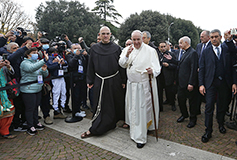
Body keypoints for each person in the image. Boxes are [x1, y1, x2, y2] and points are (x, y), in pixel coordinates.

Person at [81, 26, 126, 138]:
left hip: (114, 80)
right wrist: (90, 80)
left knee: (113, 103)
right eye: (103, 34)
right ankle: (97, 127)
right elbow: (90, 66)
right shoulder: (94, 48)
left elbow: (121, 66)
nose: (105, 36)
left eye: (107, 33)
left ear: (110, 34)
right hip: (99, 80)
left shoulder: (116, 48)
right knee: (100, 104)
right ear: (99, 35)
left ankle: (112, 123)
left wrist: (123, 80)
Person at [119, 30, 160, 148]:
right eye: (134, 40)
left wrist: (153, 71)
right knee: (133, 109)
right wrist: (127, 55)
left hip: (144, 85)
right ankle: (135, 128)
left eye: (138, 39)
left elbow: (157, 68)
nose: (136, 42)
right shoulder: (127, 49)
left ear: (142, 39)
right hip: (132, 85)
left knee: (141, 110)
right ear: (131, 39)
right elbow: (122, 64)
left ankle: (140, 136)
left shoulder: (151, 51)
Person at [199, 29, 237, 143]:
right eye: (211, 37)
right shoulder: (206, 51)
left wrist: (234, 82)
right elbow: (202, 69)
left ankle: (221, 124)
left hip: (224, 83)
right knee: (209, 107)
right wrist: (201, 84)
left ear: (220, 37)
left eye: (216, 37)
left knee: (222, 106)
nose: (214, 39)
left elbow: (233, 66)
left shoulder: (227, 49)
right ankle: (208, 130)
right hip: (210, 83)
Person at [20, 47, 49, 135]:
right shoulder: (24, 63)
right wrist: (43, 61)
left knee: (36, 107)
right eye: (33, 52)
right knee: (30, 108)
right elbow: (31, 68)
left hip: (38, 88)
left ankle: (36, 122)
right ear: (28, 54)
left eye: (37, 52)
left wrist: (44, 70)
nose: (36, 54)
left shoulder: (37, 62)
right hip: (28, 89)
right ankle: (30, 125)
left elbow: (44, 74)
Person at [176, 36, 199, 128]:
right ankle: (184, 114)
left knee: (192, 102)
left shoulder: (193, 53)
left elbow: (193, 69)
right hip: (181, 83)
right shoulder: (185, 52)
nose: (179, 44)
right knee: (180, 99)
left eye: (181, 42)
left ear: (186, 42)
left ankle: (193, 119)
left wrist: (191, 83)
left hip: (189, 83)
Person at [157, 41, 177, 111]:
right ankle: (161, 105)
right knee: (160, 91)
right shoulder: (157, 55)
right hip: (160, 76)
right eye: (161, 47)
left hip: (168, 76)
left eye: (164, 46)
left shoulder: (171, 54)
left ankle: (173, 104)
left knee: (170, 91)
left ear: (167, 46)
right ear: (159, 47)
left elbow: (176, 65)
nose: (163, 48)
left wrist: (168, 65)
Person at [0, 59, 16, 139]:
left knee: (9, 112)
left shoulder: (3, 65)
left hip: (5, 93)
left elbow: (12, 74)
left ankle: (5, 131)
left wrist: (8, 66)